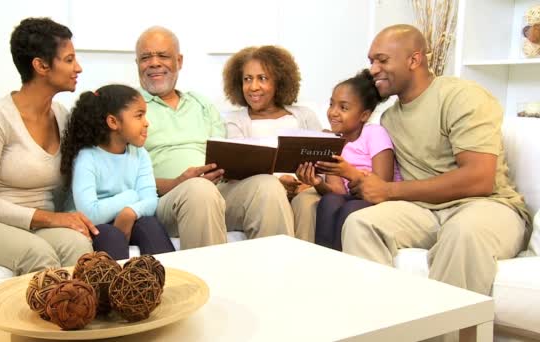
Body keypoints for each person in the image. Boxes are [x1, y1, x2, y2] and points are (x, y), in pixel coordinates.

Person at [342, 24, 531, 296]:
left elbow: (480, 178)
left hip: (488, 205)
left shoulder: (460, 96)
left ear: (414, 60)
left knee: (463, 233)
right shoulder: (389, 119)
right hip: (425, 210)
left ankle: (444, 336)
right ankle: (383, 326)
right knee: (360, 224)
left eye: (382, 60)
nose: (372, 69)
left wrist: (389, 191)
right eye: (371, 61)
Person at [0, 17, 97, 275]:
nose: (78, 68)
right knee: (38, 254)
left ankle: (86, 315)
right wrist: (51, 218)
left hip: (34, 229)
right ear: (41, 66)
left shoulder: (63, 116)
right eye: (69, 60)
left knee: (78, 246)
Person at [135, 26, 294, 249]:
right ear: (137, 64)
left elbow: (225, 152)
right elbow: (124, 178)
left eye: (163, 56)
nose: (154, 63)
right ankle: (212, 283)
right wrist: (178, 182)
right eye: (145, 57)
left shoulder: (201, 104)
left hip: (217, 191)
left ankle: (275, 276)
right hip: (168, 200)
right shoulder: (130, 107)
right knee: (198, 190)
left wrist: (235, 168)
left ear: (179, 61)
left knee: (267, 186)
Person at [61, 84, 175, 260]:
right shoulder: (87, 158)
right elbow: (90, 214)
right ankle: (114, 287)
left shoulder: (140, 154)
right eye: (139, 115)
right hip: (93, 225)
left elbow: (151, 201)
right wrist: (130, 197)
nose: (146, 122)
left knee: (150, 225)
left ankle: (171, 282)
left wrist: (130, 213)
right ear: (113, 122)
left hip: (126, 216)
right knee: (110, 235)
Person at [295, 69, 400, 251]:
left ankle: (342, 270)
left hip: (380, 199)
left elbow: (383, 183)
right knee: (328, 202)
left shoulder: (374, 133)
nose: (333, 113)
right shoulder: (333, 141)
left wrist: (347, 171)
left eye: (343, 108)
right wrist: (317, 182)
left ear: (364, 115)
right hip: (350, 197)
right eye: (331, 104)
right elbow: (336, 190)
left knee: (349, 209)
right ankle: (325, 263)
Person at [222, 45, 322, 199]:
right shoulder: (234, 120)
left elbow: (323, 164)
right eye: (247, 79)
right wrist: (277, 182)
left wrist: (309, 183)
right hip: (259, 194)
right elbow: (238, 170)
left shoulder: (305, 115)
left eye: (262, 78)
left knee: (308, 201)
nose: (253, 87)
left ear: (279, 82)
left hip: (304, 190)